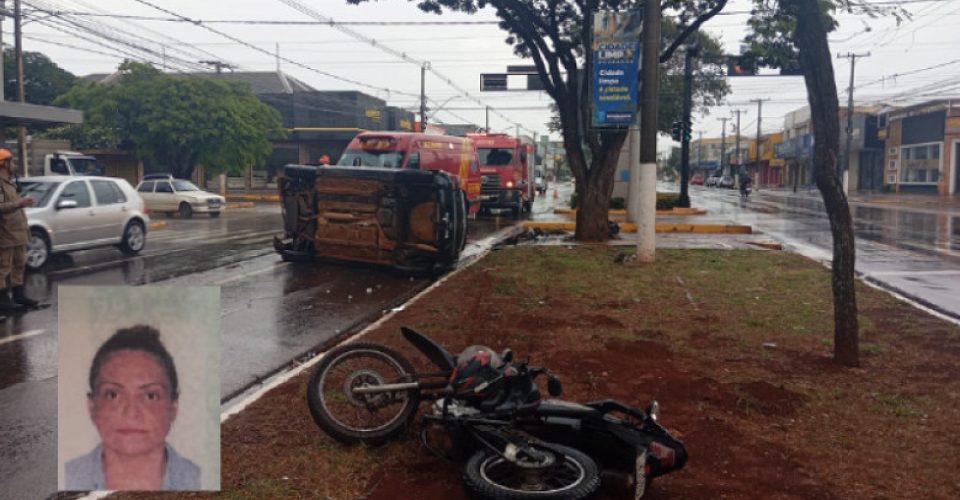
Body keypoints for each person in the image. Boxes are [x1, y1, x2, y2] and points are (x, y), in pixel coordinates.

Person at [64, 325, 201, 491]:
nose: (131, 413)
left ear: (173, 407)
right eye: (113, 395)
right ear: (92, 406)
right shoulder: (67, 478)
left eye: (150, 396)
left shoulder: (198, 480)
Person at [0, 148, 38, 312]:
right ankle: (2, 301)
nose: (14, 164)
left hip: (18, 233)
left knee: (19, 264)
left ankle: (19, 296)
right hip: (6, 234)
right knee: (3, 268)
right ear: (4, 164)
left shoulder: (10, 182)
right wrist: (20, 203)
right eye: (12, 161)